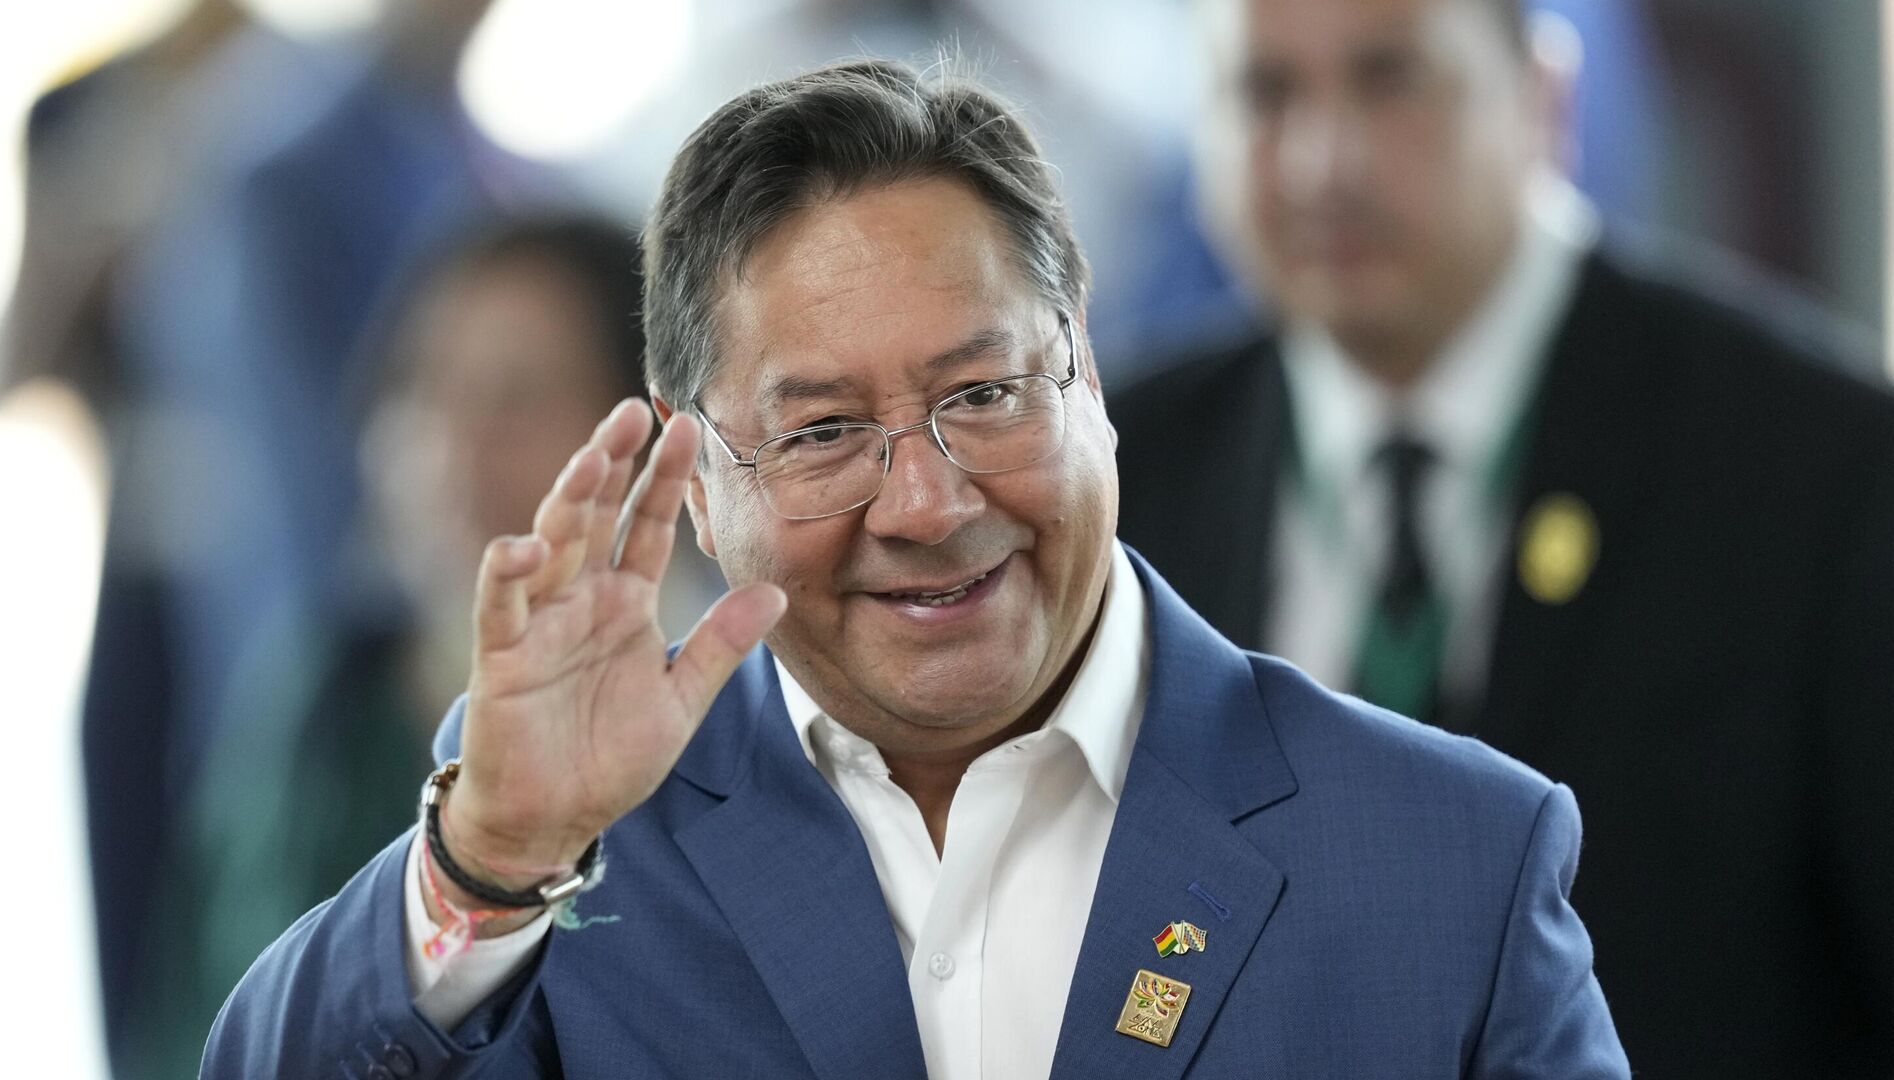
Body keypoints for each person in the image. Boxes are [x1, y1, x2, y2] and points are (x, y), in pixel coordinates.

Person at [204, 59, 1626, 1078]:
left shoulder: (1452, 861)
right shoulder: (581, 837)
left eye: (985, 395)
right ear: (697, 485)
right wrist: (487, 866)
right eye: (823, 433)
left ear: (1089, 381)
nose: (930, 502)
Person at [1109, 0, 1894, 1075]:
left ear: (1545, 98)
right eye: (1266, 94)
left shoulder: (1826, 470)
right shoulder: (1119, 476)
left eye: (1390, 79)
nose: (1320, 164)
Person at [121, 215, 722, 1079]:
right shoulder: (324, 704)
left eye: (518, 398)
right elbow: (195, 1011)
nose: (453, 447)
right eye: (422, 391)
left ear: (654, 437)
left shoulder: (738, 722)